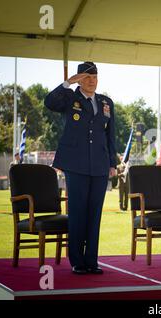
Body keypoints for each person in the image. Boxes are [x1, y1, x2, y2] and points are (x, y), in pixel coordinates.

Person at [44, 61, 117, 275]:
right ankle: (77, 260)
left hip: (99, 166)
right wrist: (67, 83)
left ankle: (91, 260)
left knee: (94, 214)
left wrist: (112, 163)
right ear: (79, 79)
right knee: (77, 213)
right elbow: (49, 102)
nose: (92, 80)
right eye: (87, 77)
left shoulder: (106, 102)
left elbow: (109, 134)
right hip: (75, 165)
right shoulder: (69, 98)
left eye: (94, 77)